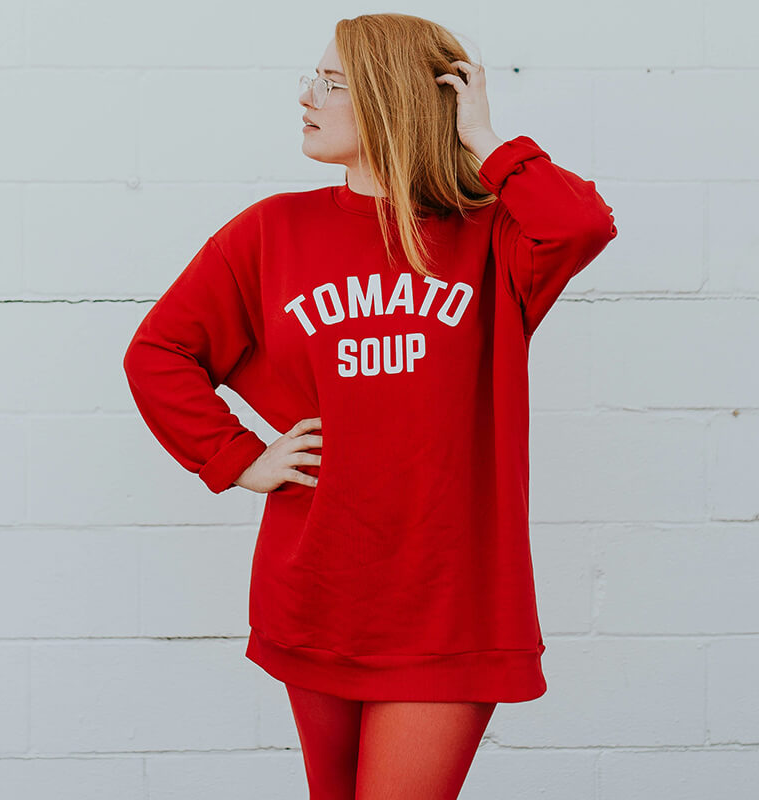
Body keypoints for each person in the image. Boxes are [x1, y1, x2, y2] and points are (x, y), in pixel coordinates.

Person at [122, 12, 618, 799]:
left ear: (392, 98)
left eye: (332, 83)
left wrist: (483, 138)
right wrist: (237, 457)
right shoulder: (271, 231)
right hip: (316, 588)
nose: (306, 97)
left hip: (450, 606)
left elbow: (582, 224)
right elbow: (158, 352)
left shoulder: (494, 237)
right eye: (312, 79)